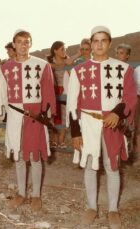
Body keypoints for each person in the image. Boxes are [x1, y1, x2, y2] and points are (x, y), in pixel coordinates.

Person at [66, 26, 137, 228]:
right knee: (90, 166)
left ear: (109, 43)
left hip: (112, 123)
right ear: (91, 43)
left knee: (112, 166)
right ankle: (91, 207)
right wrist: (75, 132)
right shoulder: (78, 70)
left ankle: (113, 209)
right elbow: (72, 103)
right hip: (88, 123)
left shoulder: (123, 69)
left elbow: (130, 97)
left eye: (103, 40)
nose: (99, 44)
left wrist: (117, 112)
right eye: (95, 40)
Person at [0, 30, 56, 211]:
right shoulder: (5, 68)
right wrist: (2, 109)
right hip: (15, 116)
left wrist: (46, 113)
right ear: (13, 44)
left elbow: (48, 91)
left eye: (26, 42)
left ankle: (36, 195)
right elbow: (2, 92)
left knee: (35, 156)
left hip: (35, 117)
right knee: (19, 156)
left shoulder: (42, 65)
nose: (23, 45)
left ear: (30, 44)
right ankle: (22, 193)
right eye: (19, 42)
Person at [47, 41, 79, 149]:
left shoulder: (68, 61)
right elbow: (55, 66)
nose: (64, 51)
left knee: (65, 114)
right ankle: (54, 139)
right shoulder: (50, 61)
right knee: (55, 115)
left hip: (65, 91)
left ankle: (61, 140)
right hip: (54, 91)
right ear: (55, 51)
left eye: (65, 49)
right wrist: (66, 62)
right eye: (62, 49)